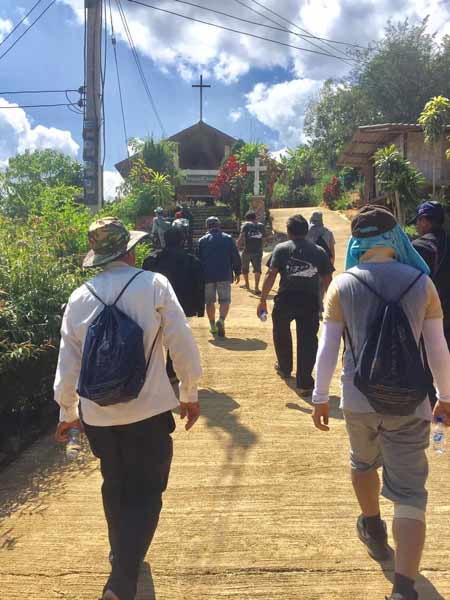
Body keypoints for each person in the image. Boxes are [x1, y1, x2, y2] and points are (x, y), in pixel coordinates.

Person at [54, 217, 202, 600]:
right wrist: (189, 392)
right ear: (130, 251)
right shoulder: (154, 285)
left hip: (98, 415)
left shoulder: (79, 296)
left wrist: (67, 413)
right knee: (147, 492)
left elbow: (68, 362)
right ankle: (121, 580)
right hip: (149, 411)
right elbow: (181, 341)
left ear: (99, 257)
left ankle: (121, 551)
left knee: (115, 483)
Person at [311, 206, 450, 600]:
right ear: (395, 239)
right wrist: (445, 397)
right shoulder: (421, 282)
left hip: (358, 400)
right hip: (411, 400)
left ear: (358, 241)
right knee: (409, 493)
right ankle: (404, 587)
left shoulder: (343, 285)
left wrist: (320, 397)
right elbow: (437, 348)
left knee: (362, 462)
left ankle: (372, 526)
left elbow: (328, 347)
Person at [256, 214, 334, 393]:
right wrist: (331, 303)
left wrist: (262, 300)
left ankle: (285, 368)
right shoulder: (319, 251)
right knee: (308, 340)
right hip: (309, 301)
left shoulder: (282, 248)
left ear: (289, 231)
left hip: (285, 300)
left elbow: (271, 274)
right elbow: (328, 279)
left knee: (281, 333)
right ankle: (304, 381)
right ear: (306, 231)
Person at [143, 227, 205, 383]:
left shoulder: (152, 259)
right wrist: (200, 307)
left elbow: (143, 283)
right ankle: (171, 371)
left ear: (164, 240)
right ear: (182, 240)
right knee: (176, 337)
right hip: (183, 304)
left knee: (155, 336)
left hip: (156, 303)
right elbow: (199, 285)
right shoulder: (192, 260)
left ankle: (153, 372)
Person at [409, 201, 450, 349]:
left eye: (418, 221)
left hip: (430, 317)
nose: (416, 226)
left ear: (425, 221)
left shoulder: (419, 247)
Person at [198, 216, 241, 337]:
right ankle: (221, 320)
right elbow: (235, 256)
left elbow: (199, 260)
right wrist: (237, 271)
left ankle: (212, 326)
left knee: (209, 302)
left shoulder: (202, 241)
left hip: (207, 276)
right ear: (219, 225)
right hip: (224, 274)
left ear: (207, 227)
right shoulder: (228, 239)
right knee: (225, 300)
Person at [237, 210, 266, 294]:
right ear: (255, 217)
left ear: (247, 218)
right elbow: (264, 239)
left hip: (247, 250)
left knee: (244, 268)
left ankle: (247, 284)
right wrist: (261, 248)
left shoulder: (246, 225)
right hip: (258, 251)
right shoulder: (261, 226)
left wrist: (237, 247)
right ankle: (257, 288)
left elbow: (241, 237)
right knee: (257, 269)